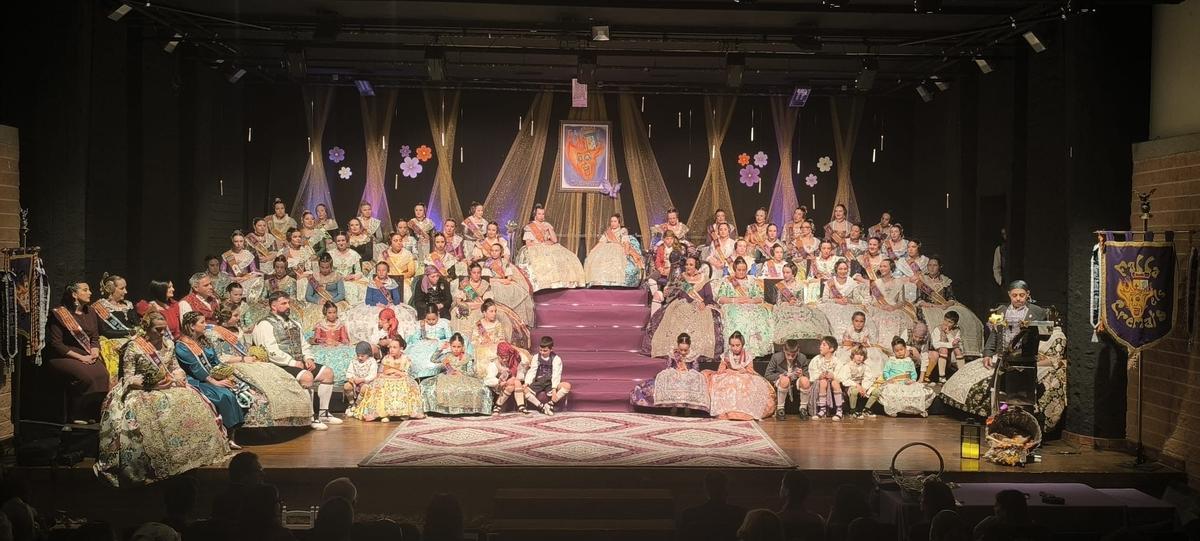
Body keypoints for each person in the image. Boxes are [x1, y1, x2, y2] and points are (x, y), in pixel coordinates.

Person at [94, 310, 230, 486]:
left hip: (168, 384)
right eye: (157, 330)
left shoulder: (168, 343)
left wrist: (179, 376)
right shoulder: (134, 346)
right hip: (141, 389)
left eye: (163, 329)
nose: (162, 333)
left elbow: (175, 366)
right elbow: (128, 377)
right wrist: (153, 385)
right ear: (146, 329)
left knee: (192, 399)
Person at [207, 305, 313, 428]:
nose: (238, 318)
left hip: (248, 361)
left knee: (276, 374)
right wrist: (242, 359)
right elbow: (219, 357)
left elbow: (245, 349)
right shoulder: (214, 334)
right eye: (235, 316)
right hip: (233, 365)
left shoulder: (237, 329)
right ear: (225, 317)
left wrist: (253, 355)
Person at [252, 291, 342, 430]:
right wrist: (292, 362)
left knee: (328, 373)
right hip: (279, 365)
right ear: (273, 306)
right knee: (307, 376)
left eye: (288, 303)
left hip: (298, 362)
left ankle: (324, 413)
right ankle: (310, 417)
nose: (288, 306)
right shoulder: (265, 324)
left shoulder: (294, 323)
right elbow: (269, 350)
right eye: (284, 303)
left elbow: (303, 344)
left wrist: (308, 358)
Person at [176, 311, 247, 447]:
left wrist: (224, 374)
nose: (206, 325)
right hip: (198, 380)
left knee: (237, 388)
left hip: (213, 377)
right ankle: (227, 436)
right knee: (224, 395)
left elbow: (215, 361)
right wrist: (216, 382)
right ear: (191, 326)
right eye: (202, 322)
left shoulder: (204, 340)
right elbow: (196, 368)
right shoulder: (182, 345)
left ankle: (234, 434)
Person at [46, 282, 107, 423]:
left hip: (86, 352)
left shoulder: (91, 311)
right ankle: (77, 414)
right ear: (74, 294)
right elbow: (57, 344)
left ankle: (92, 412)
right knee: (86, 377)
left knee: (103, 374)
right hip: (63, 355)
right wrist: (81, 358)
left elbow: (95, 337)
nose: (90, 292)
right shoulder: (59, 314)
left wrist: (95, 351)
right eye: (85, 290)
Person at [642, 256, 724, 360]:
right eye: (687, 264)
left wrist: (704, 303)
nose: (688, 267)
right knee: (675, 314)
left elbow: (709, 296)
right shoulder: (681, 277)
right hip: (681, 304)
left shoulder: (704, 278)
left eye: (691, 265)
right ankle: (675, 348)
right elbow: (673, 292)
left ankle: (694, 349)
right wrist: (668, 291)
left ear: (696, 266)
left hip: (699, 305)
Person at [915, 257, 984, 358]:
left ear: (940, 267)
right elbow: (919, 299)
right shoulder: (922, 280)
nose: (931, 268)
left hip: (944, 306)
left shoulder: (946, 280)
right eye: (929, 265)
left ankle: (967, 350)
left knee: (965, 315)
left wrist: (946, 305)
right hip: (928, 307)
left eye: (935, 265)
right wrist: (935, 306)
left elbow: (951, 297)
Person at [630, 333, 710, 414]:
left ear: (689, 347)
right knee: (668, 379)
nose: (682, 352)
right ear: (678, 346)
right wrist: (676, 370)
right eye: (681, 350)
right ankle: (673, 405)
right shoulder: (674, 354)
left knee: (693, 380)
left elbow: (695, 368)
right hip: (675, 372)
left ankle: (688, 406)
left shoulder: (693, 355)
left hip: (688, 373)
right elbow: (668, 366)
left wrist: (687, 371)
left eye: (685, 350)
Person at [348, 338, 424, 422]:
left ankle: (404, 412)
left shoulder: (406, 359)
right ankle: (384, 414)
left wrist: (395, 371)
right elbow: (380, 373)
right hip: (387, 379)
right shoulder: (386, 359)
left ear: (401, 348)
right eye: (390, 347)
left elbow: (408, 374)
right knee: (380, 385)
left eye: (394, 347)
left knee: (407, 385)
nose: (391, 350)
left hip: (401, 379)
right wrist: (386, 375)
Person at [708, 332, 776, 420]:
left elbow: (750, 370)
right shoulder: (726, 355)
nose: (735, 348)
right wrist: (727, 370)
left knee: (744, 383)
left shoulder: (747, 355)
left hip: (743, 376)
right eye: (732, 345)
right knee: (726, 382)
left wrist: (745, 370)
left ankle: (743, 411)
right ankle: (728, 411)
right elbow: (720, 370)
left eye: (737, 345)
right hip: (729, 375)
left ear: (742, 344)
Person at [420, 333, 492, 415]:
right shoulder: (447, 355)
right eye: (454, 347)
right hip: (447, 377)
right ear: (450, 346)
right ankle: (438, 411)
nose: (456, 349)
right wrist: (440, 349)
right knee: (426, 385)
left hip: (463, 377)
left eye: (459, 347)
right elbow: (433, 359)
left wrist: (460, 373)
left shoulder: (467, 357)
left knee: (478, 388)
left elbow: (471, 372)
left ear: (463, 346)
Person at [519, 203, 585, 291]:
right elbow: (528, 243)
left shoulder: (547, 225)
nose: (542, 216)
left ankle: (559, 283)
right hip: (535, 248)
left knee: (566, 256)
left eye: (543, 214)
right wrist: (540, 244)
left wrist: (549, 229)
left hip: (548, 246)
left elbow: (554, 240)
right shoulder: (530, 227)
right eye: (539, 214)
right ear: (535, 215)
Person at [717, 258, 773, 358]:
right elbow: (720, 298)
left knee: (760, 313)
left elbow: (760, 297)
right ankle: (738, 347)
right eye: (739, 270)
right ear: (734, 269)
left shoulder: (752, 281)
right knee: (738, 314)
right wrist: (734, 300)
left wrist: (751, 301)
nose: (742, 272)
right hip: (733, 305)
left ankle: (755, 349)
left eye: (744, 270)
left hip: (750, 305)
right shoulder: (728, 281)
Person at [772, 262, 832, 345]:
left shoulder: (799, 285)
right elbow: (778, 301)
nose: (785, 275)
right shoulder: (780, 285)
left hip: (798, 306)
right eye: (784, 272)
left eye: (787, 272)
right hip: (785, 307)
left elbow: (802, 300)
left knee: (809, 315)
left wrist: (796, 303)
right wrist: (787, 303)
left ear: (793, 274)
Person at [863, 259, 917, 349]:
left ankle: (893, 348)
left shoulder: (899, 282)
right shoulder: (875, 283)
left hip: (894, 309)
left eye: (885, 266)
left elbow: (902, 301)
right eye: (881, 266)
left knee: (894, 318)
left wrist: (893, 307)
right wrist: (881, 306)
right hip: (879, 308)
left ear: (891, 268)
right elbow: (872, 300)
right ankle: (878, 347)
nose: (881, 268)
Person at [94, 273, 140, 380]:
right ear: (111, 289)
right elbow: (105, 331)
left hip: (132, 338)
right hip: (113, 342)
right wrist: (130, 333)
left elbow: (136, 324)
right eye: (122, 288)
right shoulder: (101, 307)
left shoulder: (128, 304)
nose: (126, 291)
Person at [677, 472, 747, 541]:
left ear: (706, 489)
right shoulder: (740, 514)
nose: (715, 488)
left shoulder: (690, 514)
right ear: (726, 489)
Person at [878, 336, 935, 417]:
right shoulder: (891, 360)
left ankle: (919, 409)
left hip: (907, 382)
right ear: (894, 351)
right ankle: (894, 409)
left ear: (905, 349)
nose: (900, 352)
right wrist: (889, 379)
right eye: (897, 351)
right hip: (895, 382)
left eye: (901, 350)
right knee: (892, 391)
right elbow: (886, 371)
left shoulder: (909, 361)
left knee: (917, 391)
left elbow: (913, 373)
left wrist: (912, 380)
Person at [480, 241, 534, 325]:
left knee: (520, 293)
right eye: (492, 250)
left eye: (496, 250)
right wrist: (500, 280)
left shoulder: (504, 262)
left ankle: (517, 322)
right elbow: (487, 279)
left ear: (501, 252)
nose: (494, 253)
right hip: (493, 283)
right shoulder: (488, 262)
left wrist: (504, 280)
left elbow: (509, 278)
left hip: (505, 282)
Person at [583, 213, 644, 287]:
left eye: (615, 221)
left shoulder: (623, 230)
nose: (613, 223)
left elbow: (626, 242)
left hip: (618, 248)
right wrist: (593, 250)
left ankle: (615, 282)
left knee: (616, 263)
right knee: (598, 260)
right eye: (611, 221)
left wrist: (626, 251)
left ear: (619, 222)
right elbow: (601, 242)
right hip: (606, 248)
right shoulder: (608, 232)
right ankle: (601, 282)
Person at [973, 489, 1050, 541]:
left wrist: (990, 521)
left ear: (1004, 510)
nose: (994, 507)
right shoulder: (1041, 531)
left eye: (997, 505)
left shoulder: (994, 533)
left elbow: (976, 533)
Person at [763, 339, 812, 420]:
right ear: (784, 350)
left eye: (793, 355)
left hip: (796, 380)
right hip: (782, 381)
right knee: (785, 380)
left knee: (805, 380)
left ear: (798, 351)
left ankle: (803, 408)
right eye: (788, 354)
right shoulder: (776, 357)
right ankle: (780, 409)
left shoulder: (802, 357)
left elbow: (808, 375)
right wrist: (780, 375)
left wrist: (801, 374)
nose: (790, 357)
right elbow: (767, 375)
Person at [310, 302, 355, 385]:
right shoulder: (320, 325)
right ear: (325, 313)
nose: (332, 315)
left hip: (337, 346)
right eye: (329, 313)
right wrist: (325, 341)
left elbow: (344, 339)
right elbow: (316, 338)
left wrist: (339, 343)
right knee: (322, 357)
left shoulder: (340, 325)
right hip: (324, 346)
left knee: (345, 355)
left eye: (334, 312)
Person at [524, 336, 571, 415]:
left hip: (550, 382)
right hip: (539, 381)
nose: (542, 352)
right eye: (540, 350)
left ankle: (550, 404)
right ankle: (541, 407)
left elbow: (556, 374)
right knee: (524, 390)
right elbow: (532, 370)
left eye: (545, 351)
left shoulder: (556, 359)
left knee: (567, 386)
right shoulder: (536, 357)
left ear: (551, 349)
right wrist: (527, 383)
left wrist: (554, 389)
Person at [406, 304, 455, 379]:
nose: (431, 322)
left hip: (439, 345)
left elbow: (449, 337)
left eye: (433, 319)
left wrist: (440, 342)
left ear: (438, 315)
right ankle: (422, 376)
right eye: (428, 319)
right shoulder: (422, 324)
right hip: (424, 345)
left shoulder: (444, 323)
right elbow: (416, 338)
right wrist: (421, 335)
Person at [820, 260, 866, 339]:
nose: (843, 271)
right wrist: (836, 300)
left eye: (845, 269)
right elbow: (824, 299)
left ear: (848, 270)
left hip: (847, 307)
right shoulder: (830, 282)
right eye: (840, 269)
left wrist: (848, 300)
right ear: (836, 270)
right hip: (831, 307)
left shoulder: (852, 282)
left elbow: (857, 300)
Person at [776, 471, 823, 541]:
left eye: (782, 485)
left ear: (787, 491)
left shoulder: (776, 520)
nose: (781, 488)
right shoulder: (818, 519)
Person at [484, 341, 529, 415]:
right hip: (500, 386)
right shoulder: (494, 364)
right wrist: (499, 382)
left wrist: (513, 378)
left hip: (514, 385)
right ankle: (520, 406)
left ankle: (499, 407)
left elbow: (521, 375)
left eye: (506, 357)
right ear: (497, 355)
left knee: (515, 382)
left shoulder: (514, 361)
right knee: (513, 383)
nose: (504, 360)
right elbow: (488, 380)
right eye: (502, 358)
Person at [837, 347, 880, 419]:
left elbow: (868, 378)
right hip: (851, 385)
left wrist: (864, 387)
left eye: (862, 355)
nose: (859, 357)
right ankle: (852, 411)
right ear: (853, 355)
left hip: (862, 385)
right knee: (854, 391)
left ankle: (866, 409)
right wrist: (856, 385)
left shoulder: (865, 367)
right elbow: (845, 380)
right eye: (857, 354)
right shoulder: (848, 366)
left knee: (876, 391)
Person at [223, 231, 266, 301]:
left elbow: (254, 271)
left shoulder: (248, 254)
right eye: (236, 241)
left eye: (241, 241)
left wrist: (245, 278)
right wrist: (234, 279)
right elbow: (223, 272)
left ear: (244, 242)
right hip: (232, 280)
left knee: (259, 279)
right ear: (232, 242)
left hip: (245, 279)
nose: (238, 244)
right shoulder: (227, 255)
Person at [808, 336, 844, 420]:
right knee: (823, 382)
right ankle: (822, 409)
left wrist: (833, 376)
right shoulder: (816, 359)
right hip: (820, 383)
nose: (820, 346)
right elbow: (812, 372)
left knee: (835, 383)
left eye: (824, 345)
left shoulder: (837, 361)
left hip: (833, 382)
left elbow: (841, 374)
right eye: (821, 344)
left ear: (831, 349)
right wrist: (820, 376)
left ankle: (839, 410)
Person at [923, 312, 964, 383]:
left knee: (957, 350)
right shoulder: (938, 329)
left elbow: (955, 343)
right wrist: (950, 344)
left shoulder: (957, 330)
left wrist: (948, 333)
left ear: (954, 324)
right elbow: (936, 344)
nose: (946, 323)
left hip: (951, 351)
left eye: (950, 322)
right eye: (945, 320)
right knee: (944, 349)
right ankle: (941, 376)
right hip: (937, 350)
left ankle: (962, 373)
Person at [328, 231, 366, 306]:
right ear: (335, 242)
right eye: (338, 241)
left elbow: (359, 271)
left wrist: (353, 276)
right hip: (336, 280)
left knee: (363, 289)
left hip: (350, 279)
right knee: (350, 288)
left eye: (343, 240)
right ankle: (353, 306)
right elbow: (327, 272)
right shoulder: (330, 254)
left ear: (347, 241)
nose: (341, 243)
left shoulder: (353, 254)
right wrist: (342, 278)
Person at [342, 341, 377, 409]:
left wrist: (363, 380)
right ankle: (351, 404)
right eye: (358, 355)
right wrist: (351, 378)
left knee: (365, 388)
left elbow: (373, 375)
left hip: (367, 383)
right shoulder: (354, 361)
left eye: (362, 356)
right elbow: (349, 372)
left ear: (368, 354)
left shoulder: (372, 361)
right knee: (347, 386)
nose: (360, 358)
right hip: (356, 382)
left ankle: (358, 404)